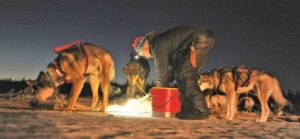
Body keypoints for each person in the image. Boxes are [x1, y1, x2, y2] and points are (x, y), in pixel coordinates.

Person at [132, 25, 216, 119]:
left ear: (144, 47)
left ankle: (200, 111)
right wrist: (166, 81)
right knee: (180, 74)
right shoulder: (160, 43)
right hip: (201, 39)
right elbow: (172, 72)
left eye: (142, 54)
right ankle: (189, 110)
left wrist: (159, 92)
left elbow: (161, 70)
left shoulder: (156, 44)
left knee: (185, 74)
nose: (146, 57)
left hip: (199, 39)